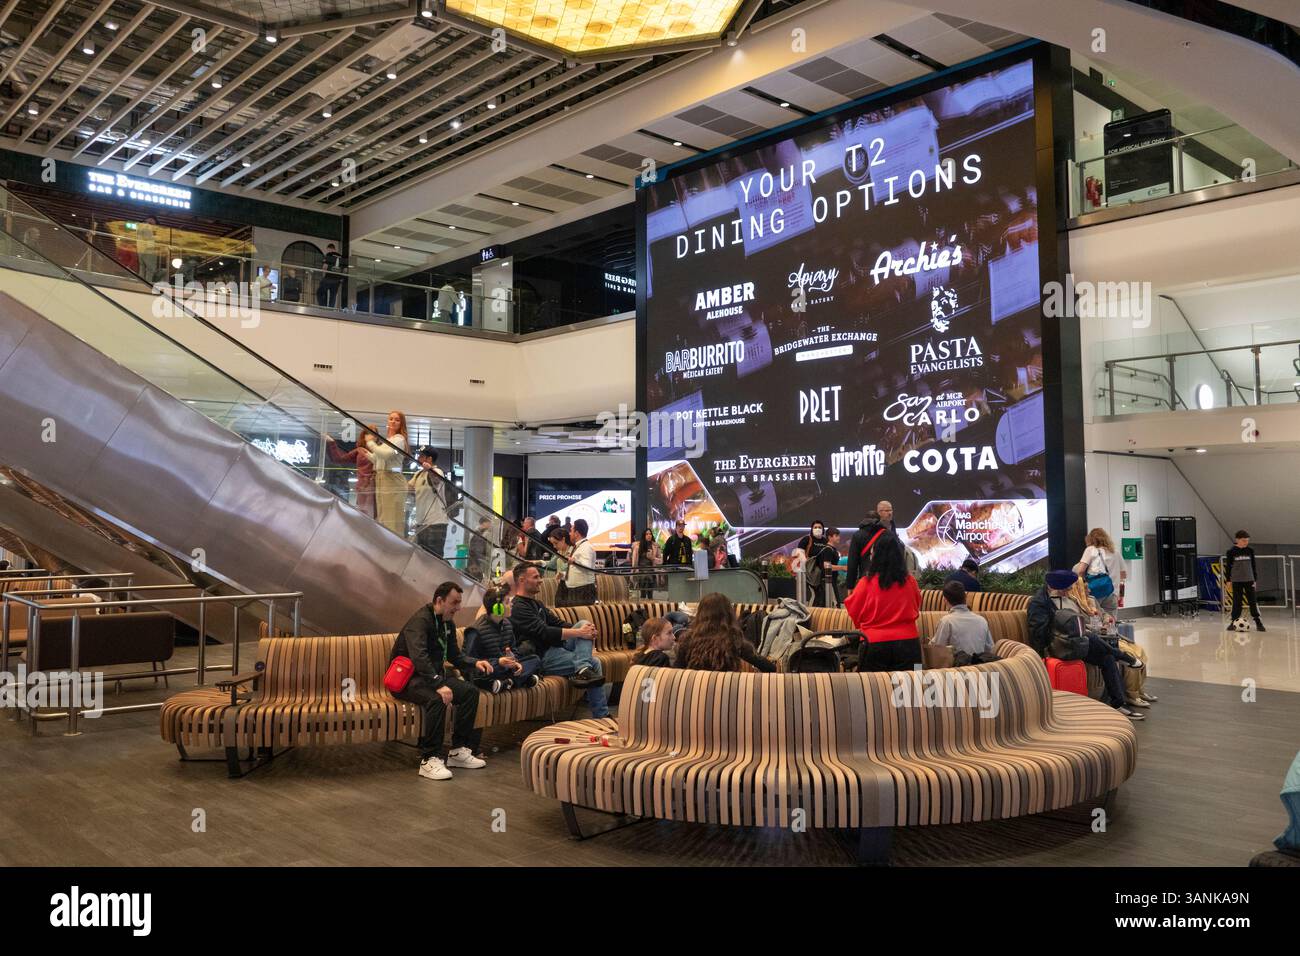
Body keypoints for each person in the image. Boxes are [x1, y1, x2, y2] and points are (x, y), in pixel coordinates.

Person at [388, 582, 492, 781]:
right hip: (407, 681)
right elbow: (419, 657)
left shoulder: (447, 623)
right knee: (437, 699)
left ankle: (458, 751)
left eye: (459, 603)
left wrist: (475, 662)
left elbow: (455, 656)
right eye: (454, 603)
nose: (458, 608)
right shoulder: (419, 622)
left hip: (430, 679)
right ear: (439, 600)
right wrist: (438, 684)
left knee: (470, 692)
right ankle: (429, 759)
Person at [1027, 570, 1145, 720]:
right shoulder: (1040, 602)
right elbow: (1037, 632)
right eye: (1068, 588)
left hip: (1072, 642)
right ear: (1058, 587)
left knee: (1106, 656)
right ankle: (1124, 657)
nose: (1070, 591)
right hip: (1057, 646)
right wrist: (1043, 654)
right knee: (1090, 638)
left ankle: (1117, 703)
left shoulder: (1066, 599)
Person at [510, 562, 609, 716]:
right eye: (536, 577)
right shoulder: (517, 607)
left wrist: (585, 630)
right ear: (522, 580)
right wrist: (579, 633)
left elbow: (557, 623)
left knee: (585, 624)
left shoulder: (537, 603)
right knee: (594, 662)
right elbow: (544, 632)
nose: (541, 580)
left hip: (555, 649)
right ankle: (601, 715)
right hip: (541, 657)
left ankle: (582, 668)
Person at [1068, 576, 1155, 708]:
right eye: (1085, 588)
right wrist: (1097, 627)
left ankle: (1139, 689)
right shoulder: (1073, 605)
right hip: (1098, 640)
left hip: (1109, 636)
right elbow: (1081, 627)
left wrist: (1106, 620)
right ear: (1077, 589)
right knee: (1130, 654)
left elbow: (1105, 614)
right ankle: (1132, 694)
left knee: (1139, 651)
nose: (1089, 590)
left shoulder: (1092, 600)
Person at [844, 533, 923, 672]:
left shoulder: (866, 583)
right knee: (913, 687)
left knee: (872, 690)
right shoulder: (910, 581)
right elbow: (916, 606)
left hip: (874, 645)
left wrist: (867, 624)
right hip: (910, 645)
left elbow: (852, 608)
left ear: (875, 556)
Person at [462, 587, 542, 693]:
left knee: (535, 659)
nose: (512, 604)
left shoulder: (507, 624)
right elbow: (470, 661)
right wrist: (498, 662)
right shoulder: (476, 630)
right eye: (508, 602)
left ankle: (507, 682)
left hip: (505, 667)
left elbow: (513, 650)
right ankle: (520, 680)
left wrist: (514, 661)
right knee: (486, 671)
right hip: (488, 668)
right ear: (497, 608)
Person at [675, 592, 775, 672]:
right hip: (727, 693)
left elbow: (677, 672)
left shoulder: (687, 640)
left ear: (700, 614)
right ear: (728, 614)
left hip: (695, 693)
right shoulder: (734, 640)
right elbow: (769, 667)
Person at [929, 580, 995, 664]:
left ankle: (915, 676)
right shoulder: (982, 620)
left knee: (918, 664)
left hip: (956, 672)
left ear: (945, 600)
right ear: (965, 597)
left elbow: (937, 651)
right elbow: (990, 649)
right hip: (980, 669)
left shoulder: (947, 621)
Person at [370, 410, 409, 536]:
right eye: (391, 418)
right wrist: (367, 454)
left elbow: (386, 455)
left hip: (392, 478)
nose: (393, 421)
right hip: (382, 477)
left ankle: (394, 546)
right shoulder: (388, 439)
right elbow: (378, 459)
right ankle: (386, 544)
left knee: (391, 517)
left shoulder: (399, 439)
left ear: (401, 423)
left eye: (397, 420)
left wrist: (370, 443)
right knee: (383, 514)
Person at [326, 425, 376, 518]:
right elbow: (339, 459)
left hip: (374, 485)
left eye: (374, 434)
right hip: (361, 485)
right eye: (368, 433)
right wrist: (332, 443)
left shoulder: (378, 450)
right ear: (364, 436)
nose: (371, 436)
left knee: (371, 514)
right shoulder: (359, 450)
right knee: (363, 513)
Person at [409, 446, 451, 557]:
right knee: (422, 557)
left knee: (435, 557)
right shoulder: (418, 474)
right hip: (421, 523)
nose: (418, 458)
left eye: (422, 456)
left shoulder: (438, 471)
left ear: (429, 459)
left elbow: (436, 480)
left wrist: (430, 469)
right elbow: (408, 488)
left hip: (436, 523)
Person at [1073, 528, 1124, 617]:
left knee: (1095, 621)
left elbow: (1080, 570)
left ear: (1090, 539)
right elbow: (1123, 574)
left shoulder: (1091, 550)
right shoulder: (1116, 552)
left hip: (1094, 591)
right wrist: (1121, 594)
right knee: (1111, 622)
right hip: (1113, 593)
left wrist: (1080, 587)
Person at [1224, 530, 1265, 631]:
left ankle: (1258, 622)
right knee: (1237, 602)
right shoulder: (1231, 552)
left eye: (1247, 540)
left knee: (1252, 601)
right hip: (1237, 580)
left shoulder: (1250, 550)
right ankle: (1233, 621)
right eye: (1243, 540)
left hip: (1249, 579)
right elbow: (1228, 566)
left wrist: (1255, 579)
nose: (1246, 542)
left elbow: (1253, 565)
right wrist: (1228, 580)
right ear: (1237, 540)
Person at [558, 518, 597, 606]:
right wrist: (564, 575)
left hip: (583, 591)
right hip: (578, 590)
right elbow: (578, 570)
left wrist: (574, 561)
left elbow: (587, 567)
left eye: (571, 530)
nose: (569, 533)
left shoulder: (586, 547)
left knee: (581, 617)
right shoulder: (579, 546)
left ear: (576, 533)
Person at [845, 511, 886, 591]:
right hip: (884, 581)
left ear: (865, 520)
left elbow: (852, 563)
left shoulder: (857, 535)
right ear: (879, 520)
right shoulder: (887, 534)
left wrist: (850, 586)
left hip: (865, 580)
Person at [631, 528, 660, 599]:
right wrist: (632, 573)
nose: (649, 535)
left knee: (650, 595)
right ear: (644, 535)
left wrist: (652, 558)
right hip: (641, 573)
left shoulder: (655, 546)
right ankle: (643, 609)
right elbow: (634, 562)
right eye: (647, 534)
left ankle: (650, 609)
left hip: (651, 573)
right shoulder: (638, 547)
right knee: (642, 595)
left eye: (650, 534)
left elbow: (660, 560)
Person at [317, 242, 343, 307]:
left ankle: (323, 306)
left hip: (329, 277)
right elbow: (345, 270)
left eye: (327, 250)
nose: (327, 251)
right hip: (337, 280)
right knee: (333, 295)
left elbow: (324, 267)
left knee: (320, 292)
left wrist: (323, 276)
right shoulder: (341, 257)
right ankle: (331, 308)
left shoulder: (329, 254)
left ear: (330, 249)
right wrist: (341, 279)